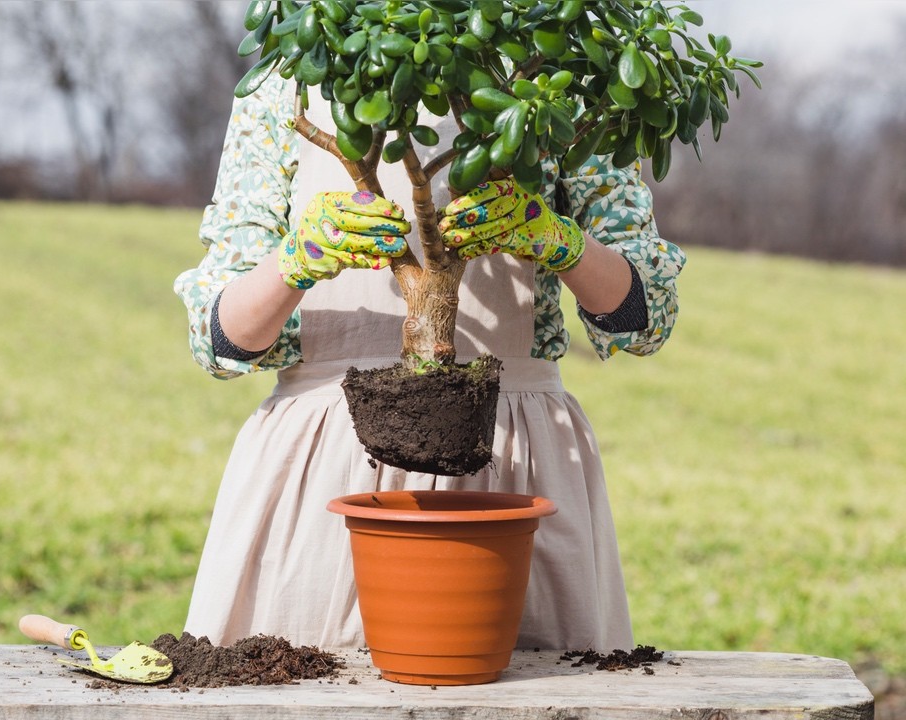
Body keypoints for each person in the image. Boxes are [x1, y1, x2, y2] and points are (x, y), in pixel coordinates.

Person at [173, 71, 686, 652]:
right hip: (320, 471)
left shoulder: (560, 76)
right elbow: (217, 342)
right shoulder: (284, 86)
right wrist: (298, 256)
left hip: (513, 466)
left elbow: (646, 320)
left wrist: (557, 238)